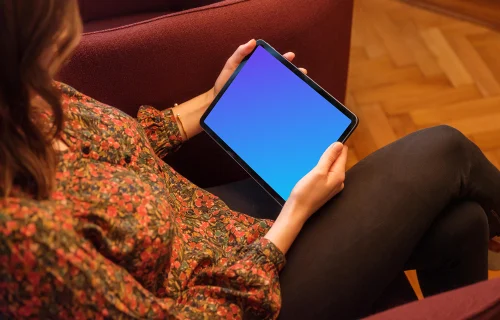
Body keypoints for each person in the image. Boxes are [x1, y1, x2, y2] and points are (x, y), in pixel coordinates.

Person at [1, 1, 500, 319]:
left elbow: (116, 146)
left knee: (462, 223)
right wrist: (293, 217)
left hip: (214, 225)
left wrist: (215, 99)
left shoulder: (24, 98)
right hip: (242, 293)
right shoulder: (25, 240)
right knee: (444, 148)